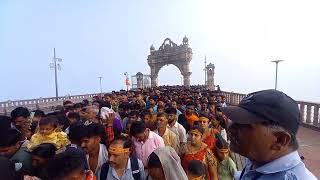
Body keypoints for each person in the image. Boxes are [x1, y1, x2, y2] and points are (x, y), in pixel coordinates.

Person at [220, 89, 317, 179]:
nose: (230, 128)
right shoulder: (258, 160)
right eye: (234, 121)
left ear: (279, 140)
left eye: (243, 125)